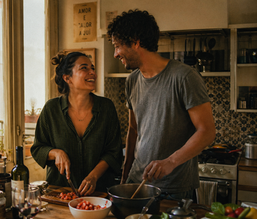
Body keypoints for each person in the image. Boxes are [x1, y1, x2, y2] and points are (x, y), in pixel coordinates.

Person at [107, 9, 216, 200]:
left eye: (117, 46)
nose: (115, 54)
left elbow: (207, 132)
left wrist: (170, 162)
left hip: (174, 188)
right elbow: (133, 129)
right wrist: (125, 176)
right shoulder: (132, 80)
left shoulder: (184, 77)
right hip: (137, 183)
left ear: (135, 42)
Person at [31, 51, 123, 196]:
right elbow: (38, 148)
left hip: (99, 193)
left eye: (92, 68)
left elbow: (114, 152)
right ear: (68, 78)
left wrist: (93, 176)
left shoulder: (106, 108)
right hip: (61, 193)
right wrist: (56, 153)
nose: (92, 72)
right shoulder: (51, 109)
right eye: (84, 68)